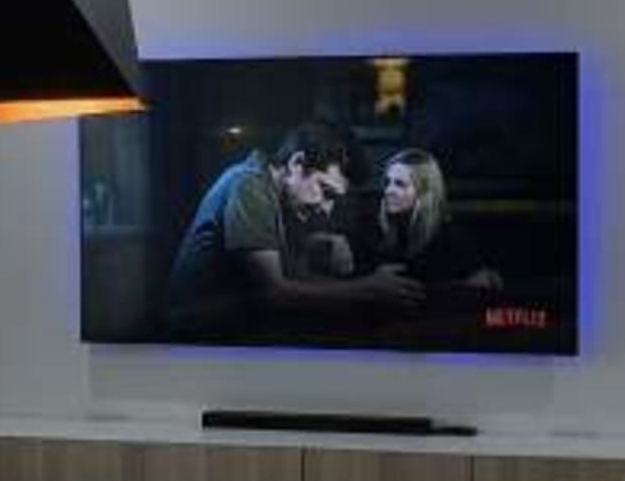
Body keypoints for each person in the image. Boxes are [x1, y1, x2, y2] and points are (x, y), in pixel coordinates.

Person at [165, 122, 426, 334]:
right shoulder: (249, 185)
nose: (326, 209)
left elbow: (297, 280)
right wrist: (369, 289)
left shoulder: (283, 198)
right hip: (197, 333)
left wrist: (367, 286)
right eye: (325, 192)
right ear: (296, 164)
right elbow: (274, 293)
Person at [372, 148, 506, 290]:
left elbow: (483, 283)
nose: (388, 191)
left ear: (424, 191)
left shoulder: (450, 237)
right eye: (387, 182)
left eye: (400, 184)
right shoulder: (379, 231)